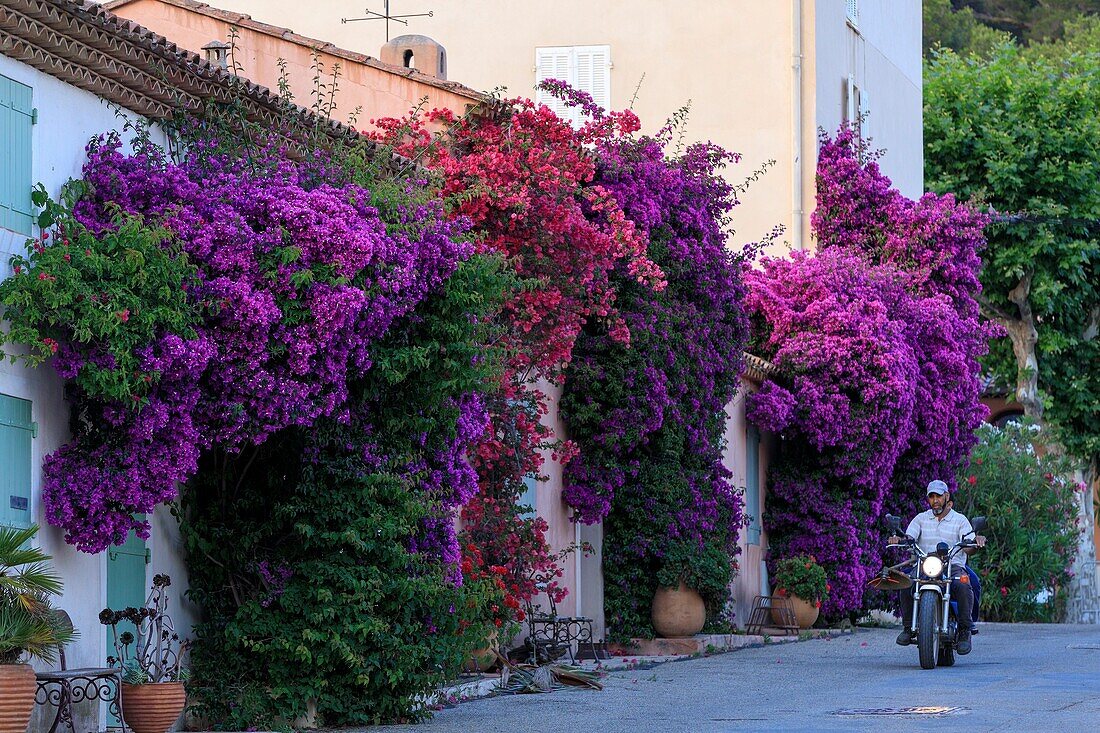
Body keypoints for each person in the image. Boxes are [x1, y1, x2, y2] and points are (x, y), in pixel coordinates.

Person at [888, 479, 985, 655]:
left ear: (946, 496)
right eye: (931, 496)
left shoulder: (960, 520)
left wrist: (975, 542)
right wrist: (899, 539)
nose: (935, 500)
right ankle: (908, 627)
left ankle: (965, 631)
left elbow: (969, 546)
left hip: (952, 565)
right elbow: (909, 538)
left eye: (938, 496)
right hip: (925, 565)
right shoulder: (921, 519)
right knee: (907, 582)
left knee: (964, 585)